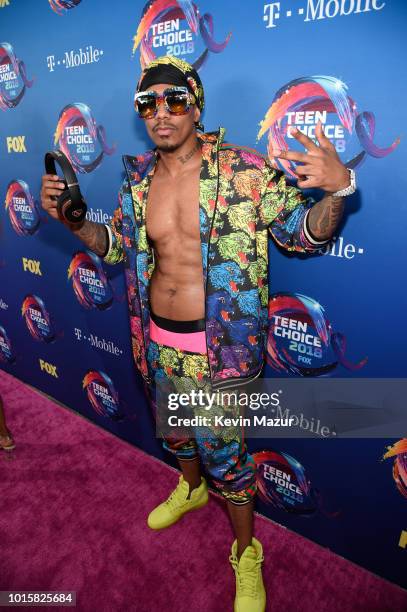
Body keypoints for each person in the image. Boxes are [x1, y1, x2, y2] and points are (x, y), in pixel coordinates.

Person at [41, 56, 355, 612]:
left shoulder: (244, 170)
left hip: (222, 355)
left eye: (174, 100)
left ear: (196, 103)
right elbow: (116, 247)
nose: (161, 113)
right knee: (178, 435)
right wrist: (73, 220)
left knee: (228, 459)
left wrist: (337, 191)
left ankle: (246, 552)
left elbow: (301, 235)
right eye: (148, 103)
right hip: (155, 342)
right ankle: (190, 487)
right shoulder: (137, 178)